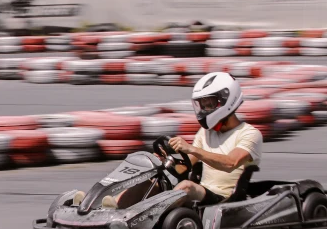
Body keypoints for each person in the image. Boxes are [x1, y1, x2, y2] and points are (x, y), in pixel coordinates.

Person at [74, 71, 263, 208]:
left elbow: (230, 163)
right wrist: (165, 164)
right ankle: (107, 207)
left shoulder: (249, 134)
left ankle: (139, 219)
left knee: (186, 187)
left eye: (209, 104)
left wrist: (192, 149)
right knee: (150, 179)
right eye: (202, 105)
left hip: (224, 197)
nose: (204, 109)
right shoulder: (206, 133)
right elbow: (188, 165)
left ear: (225, 101)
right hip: (202, 189)